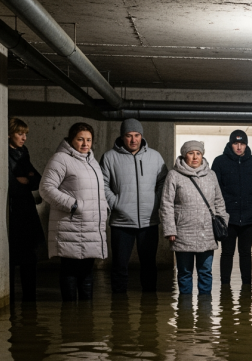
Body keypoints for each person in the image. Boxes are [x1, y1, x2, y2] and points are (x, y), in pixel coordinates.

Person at [40, 122, 109, 301]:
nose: (85, 144)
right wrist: (73, 205)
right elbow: (46, 188)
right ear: (71, 140)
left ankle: (84, 319)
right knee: (70, 270)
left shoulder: (92, 161)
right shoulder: (61, 159)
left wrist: (104, 207)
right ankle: (69, 317)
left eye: (88, 140)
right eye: (80, 139)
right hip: (71, 226)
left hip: (90, 227)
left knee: (87, 272)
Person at [100, 119, 168, 293]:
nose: (133, 140)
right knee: (119, 267)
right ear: (122, 137)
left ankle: (149, 308)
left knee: (149, 266)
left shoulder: (155, 156)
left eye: (137, 135)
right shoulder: (109, 157)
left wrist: (156, 200)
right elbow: (102, 184)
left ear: (141, 136)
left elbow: (164, 182)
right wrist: (116, 203)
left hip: (149, 222)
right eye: (129, 136)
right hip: (121, 222)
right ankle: (119, 309)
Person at [159, 140, 228, 295]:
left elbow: (219, 201)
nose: (195, 157)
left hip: (207, 233)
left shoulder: (211, 175)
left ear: (202, 155)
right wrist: (170, 229)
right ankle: (185, 313)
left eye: (198, 153)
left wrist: (223, 221)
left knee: (205, 273)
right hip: (183, 233)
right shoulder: (174, 175)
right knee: (184, 274)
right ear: (184, 156)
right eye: (191, 153)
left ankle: (205, 313)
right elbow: (166, 204)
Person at [212, 129, 252, 286]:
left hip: (249, 216)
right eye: (235, 143)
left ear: (246, 145)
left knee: (246, 253)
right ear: (230, 144)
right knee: (227, 253)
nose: (239, 147)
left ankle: (247, 287)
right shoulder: (220, 162)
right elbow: (215, 188)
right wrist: (223, 208)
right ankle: (225, 286)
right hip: (227, 217)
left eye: (242, 143)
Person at [7, 117, 45, 301]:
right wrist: (24, 179)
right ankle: (12, 300)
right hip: (14, 211)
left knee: (29, 257)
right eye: (20, 133)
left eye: (25, 134)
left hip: (26, 209)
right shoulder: (4, 155)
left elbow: (37, 180)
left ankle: (29, 302)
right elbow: (11, 186)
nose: (24, 138)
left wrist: (26, 179)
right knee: (13, 257)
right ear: (9, 134)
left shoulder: (23, 152)